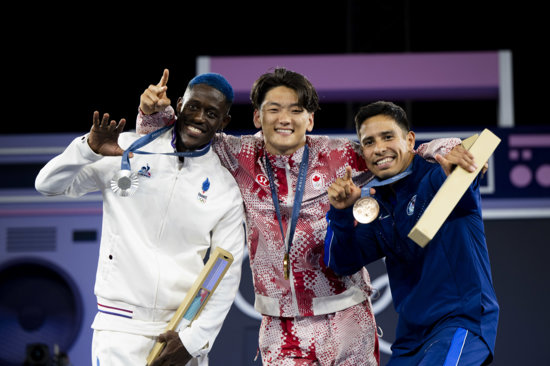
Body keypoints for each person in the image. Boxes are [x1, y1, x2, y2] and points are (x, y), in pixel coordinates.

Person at [137, 68, 475, 365]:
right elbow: (178, 137)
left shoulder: (339, 155)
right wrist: (152, 111)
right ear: (258, 117)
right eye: (274, 109)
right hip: (282, 331)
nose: (285, 118)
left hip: (348, 320)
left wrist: (446, 148)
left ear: (309, 120)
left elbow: (400, 154)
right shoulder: (236, 154)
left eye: (296, 110)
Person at [35, 72, 246, 366]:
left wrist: (193, 341)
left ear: (224, 122)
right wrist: (87, 149)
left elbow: (226, 272)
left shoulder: (225, 188)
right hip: (119, 327)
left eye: (211, 113)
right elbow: (47, 185)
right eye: (194, 106)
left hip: (178, 333)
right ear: (181, 104)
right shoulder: (127, 148)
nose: (199, 118)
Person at [324, 101, 499, 365]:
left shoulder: (435, 175)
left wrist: (461, 161)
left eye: (388, 137)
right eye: (369, 142)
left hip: (460, 323)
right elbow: (342, 263)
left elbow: (463, 168)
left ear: (409, 139)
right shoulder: (376, 204)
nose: (379, 148)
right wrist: (340, 214)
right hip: (410, 340)